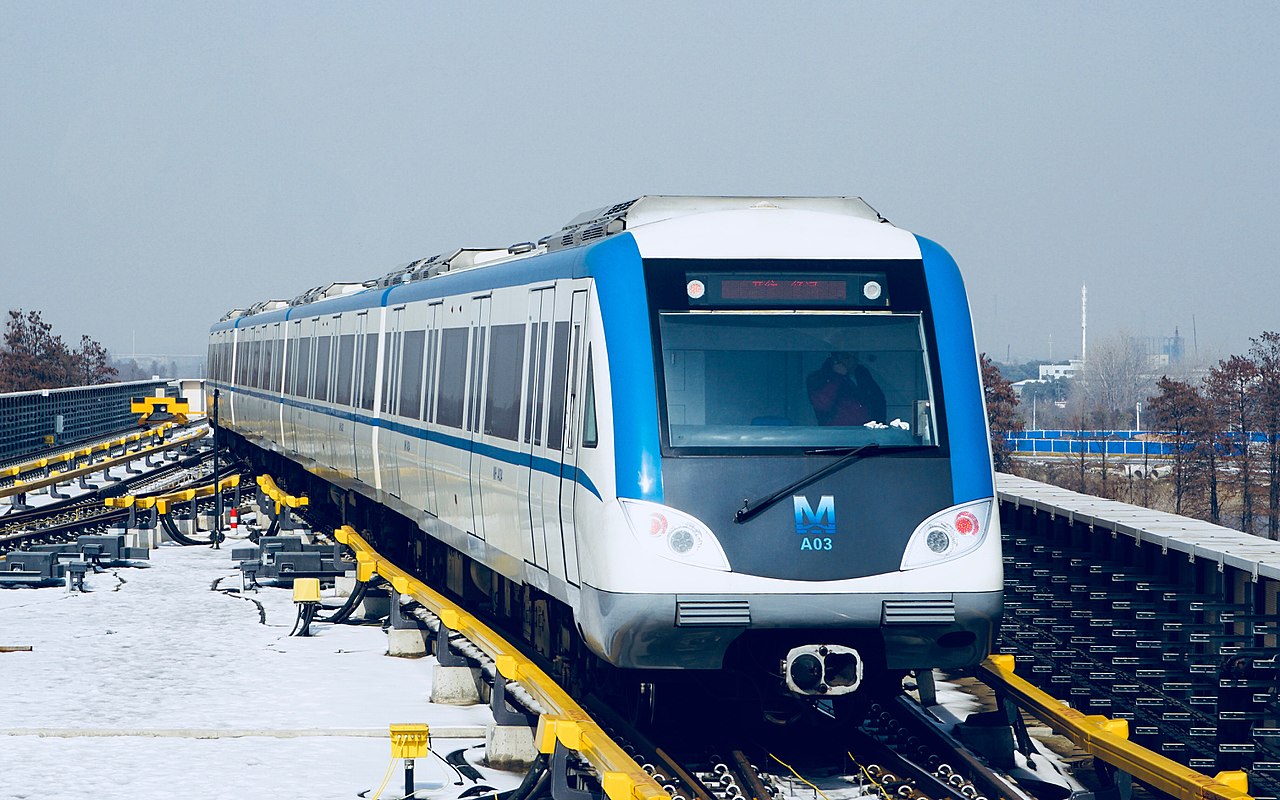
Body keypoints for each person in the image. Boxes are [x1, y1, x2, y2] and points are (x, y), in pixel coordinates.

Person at [807, 351, 886, 426]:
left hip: (867, 432)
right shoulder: (818, 378)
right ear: (835, 359)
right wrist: (837, 376)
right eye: (846, 357)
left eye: (855, 357)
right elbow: (823, 405)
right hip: (836, 434)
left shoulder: (862, 373)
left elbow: (878, 400)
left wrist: (880, 426)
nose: (852, 361)